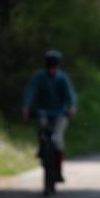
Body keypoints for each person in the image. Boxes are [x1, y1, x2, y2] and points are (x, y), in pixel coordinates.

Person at [22, 50, 77, 182]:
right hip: (43, 112)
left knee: (57, 140)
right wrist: (26, 106)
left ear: (58, 67)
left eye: (54, 67)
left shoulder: (62, 78)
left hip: (60, 113)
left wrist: (71, 107)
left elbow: (70, 95)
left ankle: (58, 170)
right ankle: (42, 152)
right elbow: (30, 91)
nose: (52, 70)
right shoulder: (39, 77)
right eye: (50, 67)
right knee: (42, 133)